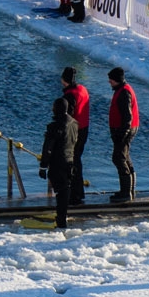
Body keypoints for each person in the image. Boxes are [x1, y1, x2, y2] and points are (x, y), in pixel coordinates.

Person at [38, 97, 79, 230]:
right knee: (65, 190)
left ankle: (61, 220)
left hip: (58, 162)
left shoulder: (55, 126)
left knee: (61, 192)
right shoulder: (74, 124)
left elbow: (48, 147)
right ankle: (62, 216)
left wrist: (43, 166)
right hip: (70, 161)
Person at [108, 67, 139, 202]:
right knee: (124, 157)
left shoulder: (124, 93)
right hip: (125, 130)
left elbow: (127, 117)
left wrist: (122, 134)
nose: (110, 82)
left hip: (124, 131)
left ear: (117, 80)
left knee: (119, 158)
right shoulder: (122, 89)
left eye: (111, 80)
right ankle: (129, 190)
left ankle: (126, 192)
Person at [61, 67, 90, 204]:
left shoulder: (70, 95)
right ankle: (78, 193)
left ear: (63, 80)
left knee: (72, 162)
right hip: (84, 129)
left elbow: (68, 117)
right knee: (77, 160)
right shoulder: (82, 89)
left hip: (74, 132)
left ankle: (74, 194)